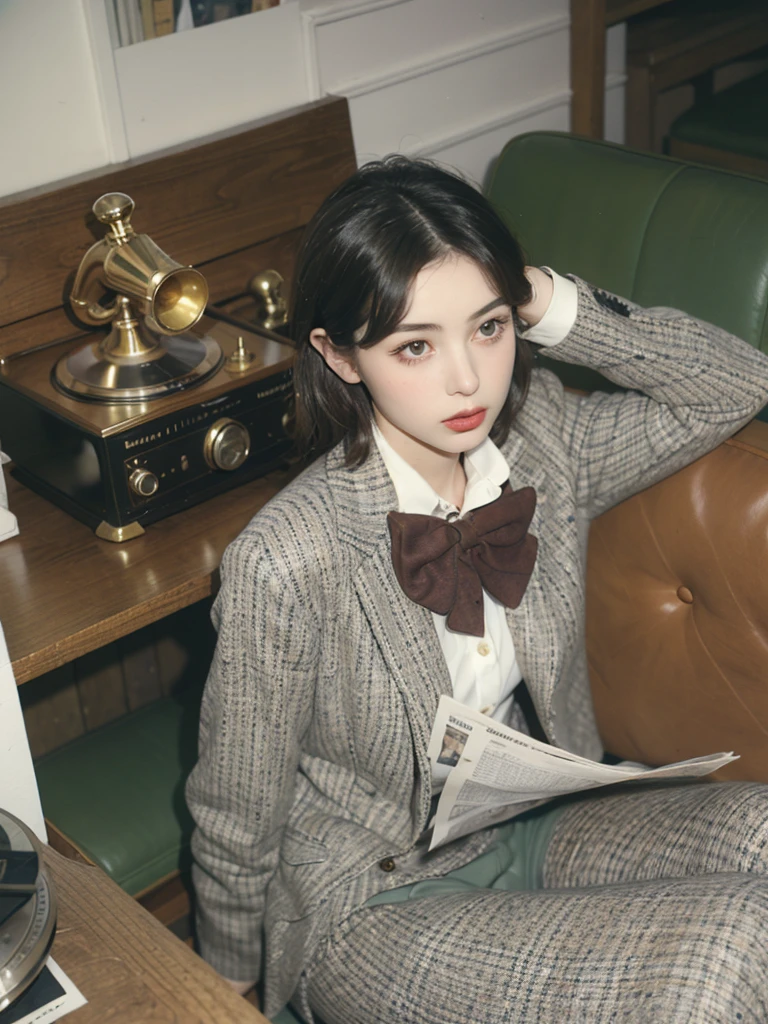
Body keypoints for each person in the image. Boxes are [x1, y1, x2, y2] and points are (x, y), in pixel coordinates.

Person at [186, 155, 768, 1023]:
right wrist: (221, 990)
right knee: (732, 950)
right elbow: (237, 804)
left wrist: (543, 298)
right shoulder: (286, 559)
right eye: (415, 345)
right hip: (373, 893)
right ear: (340, 356)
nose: (467, 381)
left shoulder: (545, 445)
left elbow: (738, 382)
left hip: (538, 817)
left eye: (488, 329)